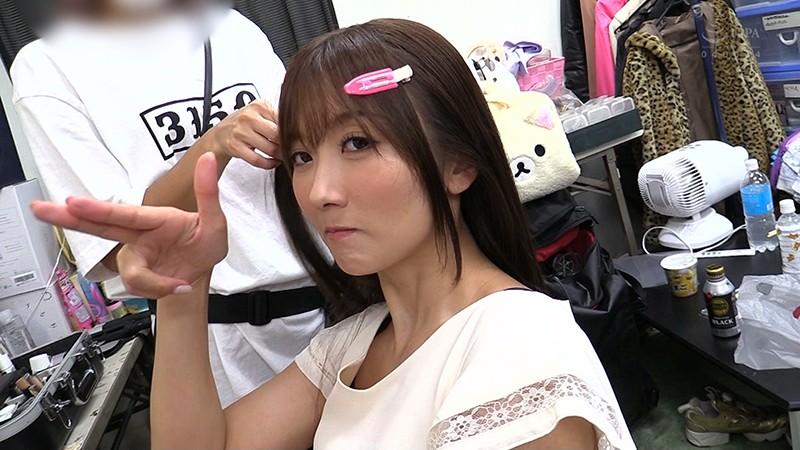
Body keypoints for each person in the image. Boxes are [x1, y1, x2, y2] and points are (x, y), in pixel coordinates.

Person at [32, 18, 636, 449]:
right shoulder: (352, 346)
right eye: (299, 156)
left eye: (357, 143)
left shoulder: (514, 352)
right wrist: (183, 289)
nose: (319, 191)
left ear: (459, 165)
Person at [11, 0, 324, 407]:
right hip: (217, 338)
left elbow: (307, 155)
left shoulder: (232, 28)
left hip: (325, 305)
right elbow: (121, 246)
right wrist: (213, 145)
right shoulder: (48, 67)